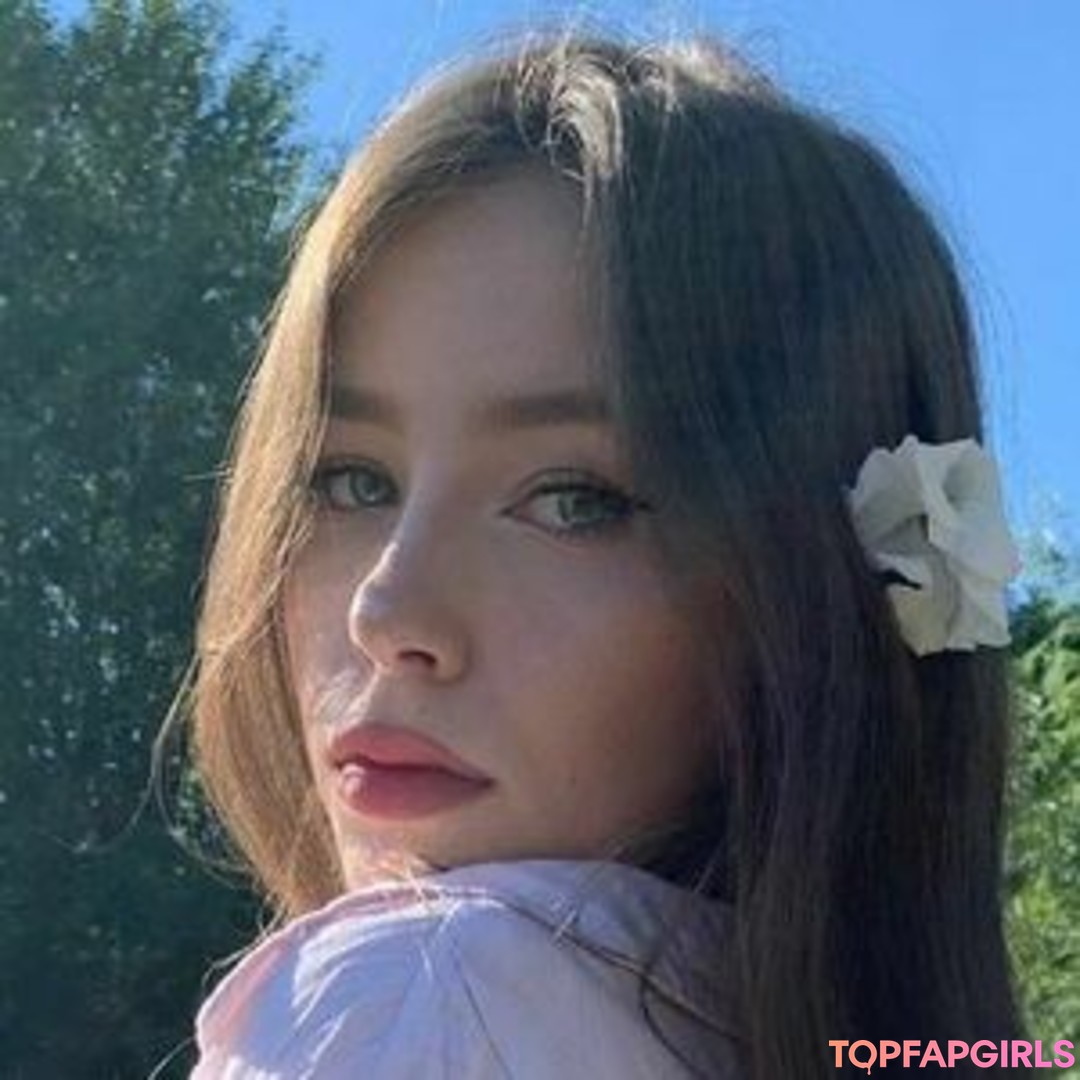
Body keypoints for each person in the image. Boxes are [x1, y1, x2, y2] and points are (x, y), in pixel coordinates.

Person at [174, 19, 1027, 1079]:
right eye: (350, 481)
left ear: (824, 595)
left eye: (575, 501)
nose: (386, 612)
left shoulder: (418, 998)